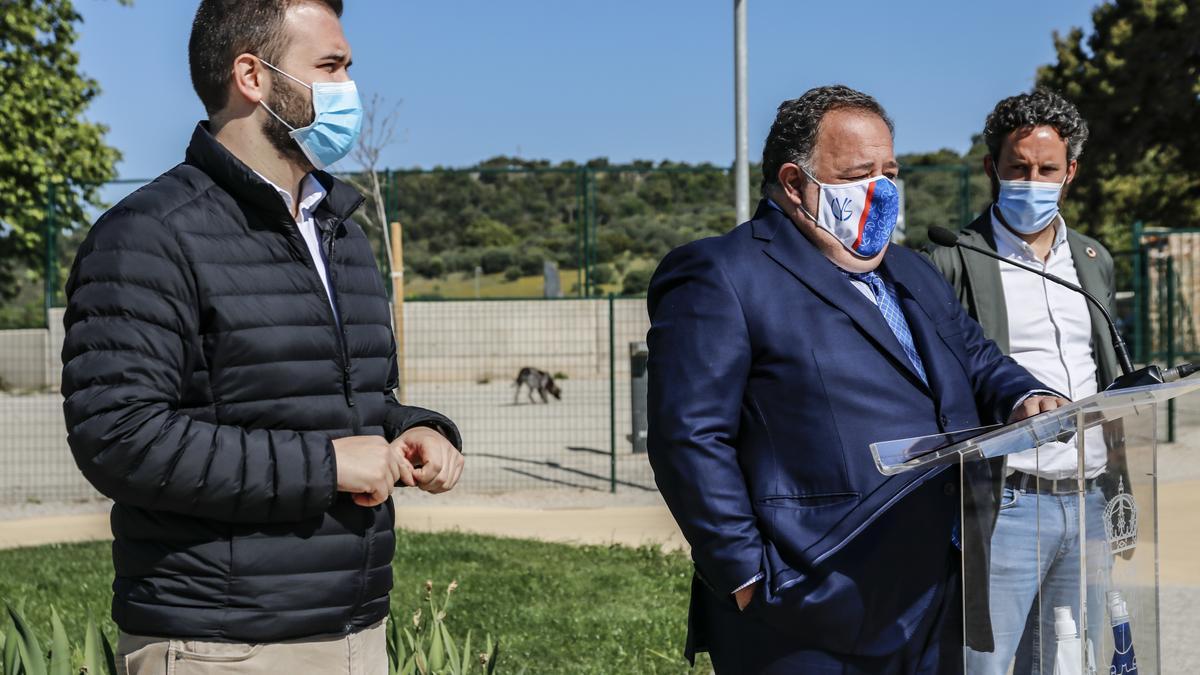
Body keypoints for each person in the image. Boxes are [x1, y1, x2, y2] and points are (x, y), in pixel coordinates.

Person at [60, 2, 465, 673]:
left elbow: (347, 397)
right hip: (222, 643)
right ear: (252, 75)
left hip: (358, 629)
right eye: (329, 68)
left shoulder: (340, 231)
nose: (347, 91)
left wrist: (416, 427)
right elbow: (117, 436)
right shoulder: (149, 236)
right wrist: (328, 466)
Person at [646, 84, 1064, 674]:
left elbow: (973, 354)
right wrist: (745, 575)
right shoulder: (722, 273)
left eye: (890, 170)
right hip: (807, 606)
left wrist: (1026, 394)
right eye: (860, 172)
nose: (883, 187)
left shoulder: (909, 268)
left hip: (936, 590)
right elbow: (687, 438)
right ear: (794, 184)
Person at [928, 88, 1121, 674]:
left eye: (1047, 169)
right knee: (984, 665)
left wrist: (1118, 494)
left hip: (1085, 500)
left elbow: (1105, 375)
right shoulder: (954, 259)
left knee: (1070, 664)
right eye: (1018, 168)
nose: (1032, 180)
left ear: (1071, 173)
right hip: (1006, 501)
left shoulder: (1092, 258)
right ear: (992, 168)